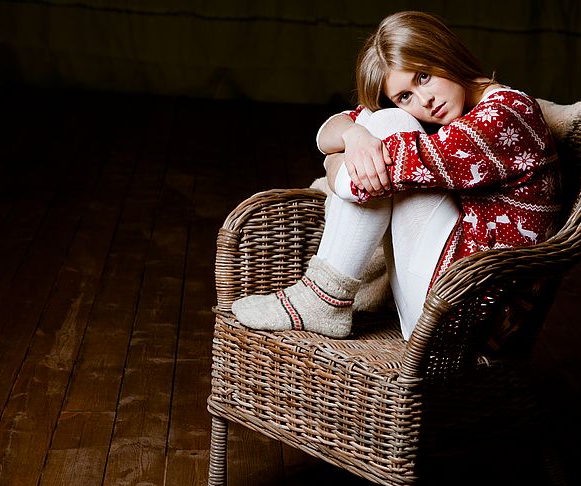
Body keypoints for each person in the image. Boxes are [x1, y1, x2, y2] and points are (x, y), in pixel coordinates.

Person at [232, 10, 563, 340]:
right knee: (383, 125)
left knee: (392, 126)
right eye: (405, 96)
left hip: (472, 314)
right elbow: (328, 133)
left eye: (423, 76)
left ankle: (322, 298)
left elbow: (360, 180)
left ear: (442, 51)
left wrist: (335, 164)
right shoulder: (448, 115)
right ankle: (322, 298)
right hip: (443, 302)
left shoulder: (504, 114)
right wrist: (354, 137)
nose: (426, 100)